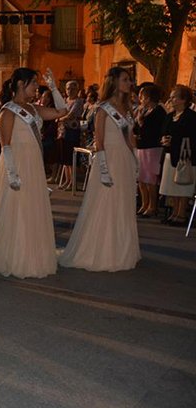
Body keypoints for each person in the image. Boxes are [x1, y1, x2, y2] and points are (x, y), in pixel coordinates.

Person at [0, 68, 68, 279]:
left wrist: (55, 88)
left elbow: (62, 111)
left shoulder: (34, 109)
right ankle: (12, 255)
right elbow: (6, 145)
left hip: (34, 165)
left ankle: (31, 252)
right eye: (33, 83)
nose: (37, 87)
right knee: (16, 209)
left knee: (32, 208)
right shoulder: (8, 111)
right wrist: (11, 173)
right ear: (21, 84)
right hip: (17, 166)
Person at [60, 67, 141, 271]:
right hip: (109, 159)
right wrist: (103, 168)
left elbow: (130, 136)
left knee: (123, 203)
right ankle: (101, 249)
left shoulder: (128, 106)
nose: (128, 83)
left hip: (125, 159)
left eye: (129, 80)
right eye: (125, 79)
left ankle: (121, 249)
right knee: (105, 203)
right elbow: (100, 141)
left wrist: (136, 158)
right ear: (114, 82)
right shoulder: (103, 108)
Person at [159, 85, 196, 225]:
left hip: (184, 156)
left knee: (183, 185)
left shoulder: (191, 117)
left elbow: (192, 136)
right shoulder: (170, 116)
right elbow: (162, 131)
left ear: (183, 99)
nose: (171, 99)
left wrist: (174, 141)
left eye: (174, 97)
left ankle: (181, 214)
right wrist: (163, 139)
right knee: (171, 186)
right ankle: (174, 212)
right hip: (169, 155)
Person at [134, 84, 167, 218]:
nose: (140, 99)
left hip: (153, 148)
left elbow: (154, 130)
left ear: (148, 98)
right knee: (141, 178)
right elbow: (137, 128)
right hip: (143, 146)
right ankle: (144, 203)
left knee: (150, 179)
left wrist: (142, 124)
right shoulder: (146, 111)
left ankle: (153, 206)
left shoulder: (159, 111)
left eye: (142, 97)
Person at [56, 80, 83, 190]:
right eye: (68, 89)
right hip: (63, 131)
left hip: (72, 131)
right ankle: (67, 180)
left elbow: (70, 115)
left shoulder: (78, 101)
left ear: (77, 90)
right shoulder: (65, 100)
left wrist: (58, 118)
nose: (70, 91)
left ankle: (73, 182)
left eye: (72, 89)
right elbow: (61, 111)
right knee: (65, 159)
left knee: (71, 158)